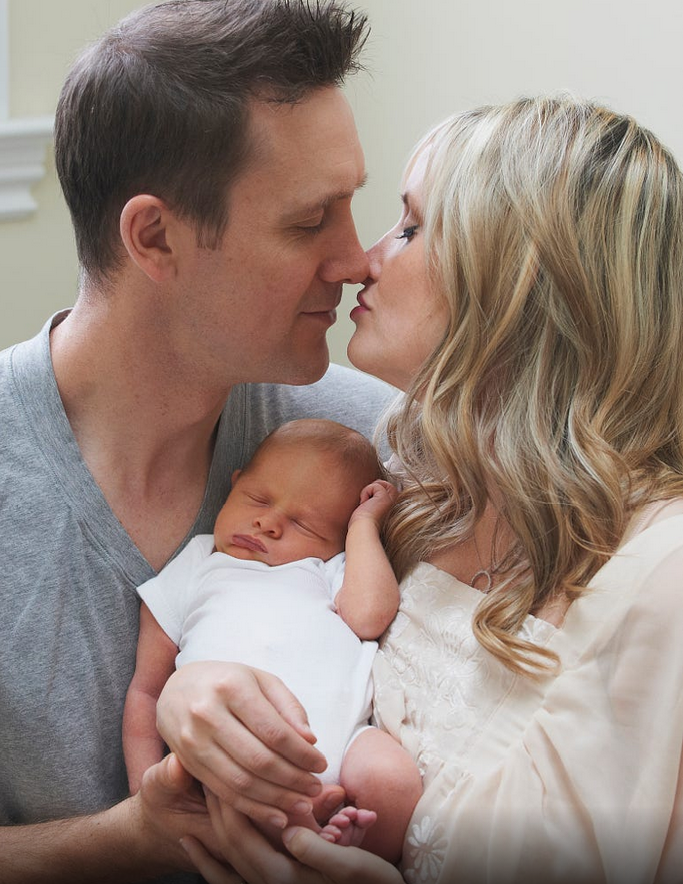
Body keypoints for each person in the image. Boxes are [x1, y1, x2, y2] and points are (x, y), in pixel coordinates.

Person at [154, 95, 683, 884]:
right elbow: (287, 619)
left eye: (410, 228)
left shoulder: (661, 579)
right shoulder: (410, 455)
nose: (362, 261)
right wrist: (191, 692)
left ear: (518, 284)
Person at [0, 2, 397, 882]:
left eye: (353, 207)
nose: (356, 260)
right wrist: (129, 838)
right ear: (155, 237)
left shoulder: (378, 445)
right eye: (310, 221)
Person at [123, 418, 422, 862]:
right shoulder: (199, 564)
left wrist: (364, 527)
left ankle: (348, 855)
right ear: (234, 484)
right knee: (234, 803)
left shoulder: (328, 570)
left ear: (336, 540)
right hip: (232, 752)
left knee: (394, 782)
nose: (267, 522)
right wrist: (145, 794)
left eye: (303, 524)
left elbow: (369, 617)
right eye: (257, 499)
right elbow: (146, 691)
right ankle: (312, 829)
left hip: (345, 741)